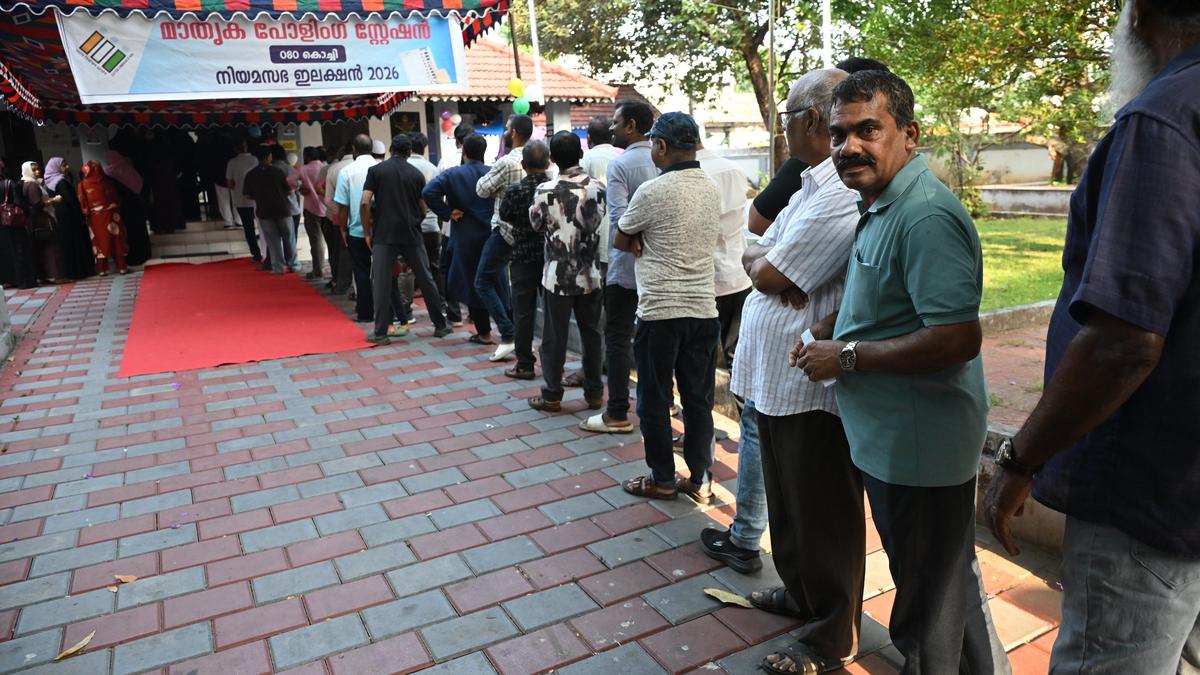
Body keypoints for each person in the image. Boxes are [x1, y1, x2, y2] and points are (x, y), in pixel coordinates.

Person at [982, 3, 1200, 673]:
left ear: (1138, 16)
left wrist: (1020, 460)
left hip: (1147, 489)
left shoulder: (1163, 116)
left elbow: (1124, 341)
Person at [794, 70, 1007, 674]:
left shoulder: (923, 216)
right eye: (837, 135)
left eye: (868, 130)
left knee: (926, 604)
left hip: (920, 445)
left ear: (907, 134)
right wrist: (835, 327)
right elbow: (888, 301)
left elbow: (957, 337)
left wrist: (848, 356)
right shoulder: (882, 203)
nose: (848, 147)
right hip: (892, 439)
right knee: (941, 586)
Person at [710, 68, 869, 675]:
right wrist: (766, 264)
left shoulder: (836, 192)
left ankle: (835, 631)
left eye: (784, 119)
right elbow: (761, 251)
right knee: (787, 500)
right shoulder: (809, 182)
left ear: (807, 119)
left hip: (809, 382)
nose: (783, 130)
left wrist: (767, 266)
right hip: (776, 378)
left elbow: (773, 274)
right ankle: (801, 593)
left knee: (821, 507)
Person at [614, 112, 721, 504]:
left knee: (654, 401)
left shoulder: (652, 191)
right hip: (704, 312)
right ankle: (702, 479)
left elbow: (620, 239)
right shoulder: (710, 188)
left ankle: (662, 478)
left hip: (660, 313)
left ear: (660, 146)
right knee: (698, 402)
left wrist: (641, 239)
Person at [579, 100, 660, 434]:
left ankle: (617, 411)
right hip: (659, 268)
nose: (610, 129)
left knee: (617, 337)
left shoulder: (621, 164)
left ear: (630, 125)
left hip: (626, 266)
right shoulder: (663, 159)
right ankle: (660, 405)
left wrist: (633, 238)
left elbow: (619, 216)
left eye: (614, 123)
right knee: (654, 340)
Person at [748, 57, 891, 237]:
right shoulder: (811, 174)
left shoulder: (844, 188)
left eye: (869, 129)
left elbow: (764, 251)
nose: (850, 148)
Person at [526, 132, 606, 411]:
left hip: (556, 276)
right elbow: (596, 222)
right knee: (592, 335)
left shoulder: (544, 191)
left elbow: (536, 224)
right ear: (581, 154)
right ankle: (595, 393)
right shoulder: (597, 187)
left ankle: (552, 394)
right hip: (589, 273)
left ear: (552, 159)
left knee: (554, 338)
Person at [361, 134, 453, 345]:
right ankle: (440, 325)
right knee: (426, 278)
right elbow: (423, 207)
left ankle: (381, 332)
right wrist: (415, 220)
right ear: (409, 152)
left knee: (381, 283)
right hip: (412, 233)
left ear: (391, 148)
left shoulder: (376, 171)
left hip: (384, 234)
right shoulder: (416, 174)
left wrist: (367, 231)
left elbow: (366, 203)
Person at [423, 135, 495, 343]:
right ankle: (508, 330)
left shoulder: (453, 174)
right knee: (495, 280)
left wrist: (447, 212)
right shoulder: (492, 173)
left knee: (471, 281)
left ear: (464, 153)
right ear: (484, 152)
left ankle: (484, 331)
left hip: (465, 234)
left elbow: (428, 191)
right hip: (492, 233)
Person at [474, 114, 534, 362]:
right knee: (513, 286)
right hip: (530, 233)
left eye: (507, 129)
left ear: (515, 133)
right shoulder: (539, 159)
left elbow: (481, 189)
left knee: (482, 282)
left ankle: (508, 334)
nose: (504, 133)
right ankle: (517, 339)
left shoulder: (507, 162)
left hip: (504, 230)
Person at [494, 140, 553, 380]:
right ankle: (552, 364)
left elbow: (505, 215)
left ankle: (525, 364)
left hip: (522, 257)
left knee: (523, 312)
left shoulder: (516, 190)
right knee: (552, 314)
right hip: (551, 258)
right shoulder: (554, 189)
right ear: (548, 162)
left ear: (524, 164)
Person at [695, 142, 752, 369]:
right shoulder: (734, 169)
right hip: (737, 274)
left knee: (700, 359)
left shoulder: (690, 175)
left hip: (704, 278)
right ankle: (743, 405)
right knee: (737, 356)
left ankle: (699, 405)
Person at [400, 133, 443, 325]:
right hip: (432, 225)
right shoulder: (433, 169)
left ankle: (406, 310)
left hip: (410, 228)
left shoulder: (404, 169)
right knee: (433, 267)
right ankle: (439, 305)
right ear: (424, 148)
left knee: (407, 269)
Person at [241, 147, 292, 275]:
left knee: (273, 240)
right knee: (288, 238)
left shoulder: (251, 174)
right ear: (269, 156)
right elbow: (289, 190)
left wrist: (259, 196)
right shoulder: (278, 171)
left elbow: (247, 195)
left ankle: (278, 267)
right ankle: (293, 264)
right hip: (282, 209)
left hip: (264, 210)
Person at [43, 158, 94, 280]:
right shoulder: (61, 182)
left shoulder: (48, 183)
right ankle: (81, 271)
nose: (67, 167)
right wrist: (80, 216)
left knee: (67, 244)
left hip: (60, 216)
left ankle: (71, 272)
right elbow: (71, 201)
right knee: (76, 242)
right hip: (70, 216)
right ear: (56, 167)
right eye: (63, 165)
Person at [76, 161, 128, 276]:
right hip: (113, 215)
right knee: (117, 241)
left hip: (96, 218)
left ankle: (102, 269)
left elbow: (82, 203)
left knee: (99, 242)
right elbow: (117, 198)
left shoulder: (83, 185)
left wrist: (86, 212)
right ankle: (122, 267)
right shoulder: (109, 182)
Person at [21, 161, 63, 284]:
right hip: (42, 219)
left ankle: (43, 276)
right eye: (34, 170)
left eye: (38, 169)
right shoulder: (32, 185)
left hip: (34, 221)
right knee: (51, 247)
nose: (38, 172)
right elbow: (37, 204)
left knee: (40, 249)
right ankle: (55, 276)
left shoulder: (26, 183)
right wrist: (54, 200)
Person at [321, 142, 354, 293]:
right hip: (366, 216)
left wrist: (342, 212)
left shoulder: (333, 169)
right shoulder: (369, 166)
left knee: (338, 249)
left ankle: (339, 282)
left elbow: (328, 200)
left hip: (337, 217)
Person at [0, 160, 37, 289]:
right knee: (20, 250)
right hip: (12, 223)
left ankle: (8, 279)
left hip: (2, 226)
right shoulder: (9, 184)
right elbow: (19, 203)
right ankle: (24, 281)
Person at [226, 138, 263, 264]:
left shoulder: (232, 162)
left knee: (249, 228)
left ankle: (256, 254)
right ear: (246, 146)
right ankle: (267, 252)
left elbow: (230, 183)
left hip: (241, 199)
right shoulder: (255, 160)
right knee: (264, 226)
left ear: (235, 149)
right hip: (259, 198)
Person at [269, 144, 301, 273]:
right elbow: (296, 186)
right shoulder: (289, 168)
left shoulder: (271, 169)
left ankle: (278, 263)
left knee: (276, 237)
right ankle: (292, 263)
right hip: (291, 207)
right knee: (291, 238)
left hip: (275, 207)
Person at [297, 147, 327, 280]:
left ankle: (318, 270)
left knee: (315, 240)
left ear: (307, 156)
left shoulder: (303, 169)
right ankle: (333, 271)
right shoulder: (325, 167)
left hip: (311, 208)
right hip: (328, 209)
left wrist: (300, 188)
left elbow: (290, 181)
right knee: (330, 242)